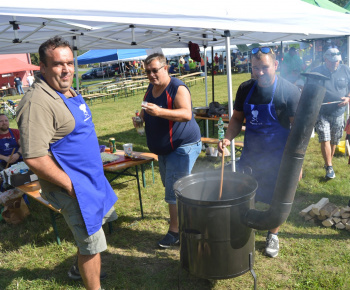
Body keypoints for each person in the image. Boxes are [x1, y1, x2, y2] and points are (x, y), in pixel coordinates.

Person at [16, 36, 118, 290]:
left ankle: (77, 269)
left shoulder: (65, 90)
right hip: (74, 186)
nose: (67, 70)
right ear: (43, 66)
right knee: (92, 244)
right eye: (58, 64)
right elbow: (34, 157)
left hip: (91, 178)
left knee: (96, 230)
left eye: (70, 63)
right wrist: (71, 184)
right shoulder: (36, 102)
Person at [218, 46, 301, 258]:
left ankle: (273, 233)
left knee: (277, 198)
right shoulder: (246, 89)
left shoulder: (288, 91)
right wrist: (228, 138)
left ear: (276, 65)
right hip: (252, 155)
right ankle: (247, 227)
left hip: (279, 157)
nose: (260, 73)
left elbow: (297, 132)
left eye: (265, 67)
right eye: (256, 68)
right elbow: (237, 119)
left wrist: (296, 165)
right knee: (247, 194)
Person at [133, 53, 201, 249]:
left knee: (174, 190)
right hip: (163, 150)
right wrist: (141, 119)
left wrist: (160, 112)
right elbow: (145, 109)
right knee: (171, 185)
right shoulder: (151, 87)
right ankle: (189, 217)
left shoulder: (177, 87)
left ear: (166, 68)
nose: (152, 75)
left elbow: (187, 113)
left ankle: (176, 232)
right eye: (148, 72)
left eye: (155, 70)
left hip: (183, 145)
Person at [310, 48, 350, 179]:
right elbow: (308, 87)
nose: (334, 63)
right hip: (322, 111)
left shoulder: (346, 70)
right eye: (332, 61)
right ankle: (329, 167)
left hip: (339, 112)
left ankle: (329, 162)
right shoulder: (317, 71)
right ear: (325, 59)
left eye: (337, 61)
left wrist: (348, 98)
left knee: (334, 140)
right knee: (325, 137)